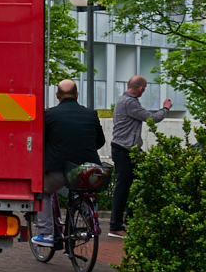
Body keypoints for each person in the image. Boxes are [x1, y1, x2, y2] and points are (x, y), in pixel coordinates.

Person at [37, 78, 103, 242]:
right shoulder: (91, 114)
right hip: (88, 171)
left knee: (42, 192)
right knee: (79, 191)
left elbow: (41, 141)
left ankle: (45, 234)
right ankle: (88, 214)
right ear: (77, 94)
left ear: (57, 95)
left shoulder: (49, 115)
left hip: (58, 170)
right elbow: (100, 141)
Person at [110, 74, 172, 235]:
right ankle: (116, 226)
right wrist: (165, 108)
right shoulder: (129, 103)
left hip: (129, 149)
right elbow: (151, 118)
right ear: (141, 88)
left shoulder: (126, 101)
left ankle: (127, 220)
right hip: (125, 149)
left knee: (142, 182)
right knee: (123, 187)